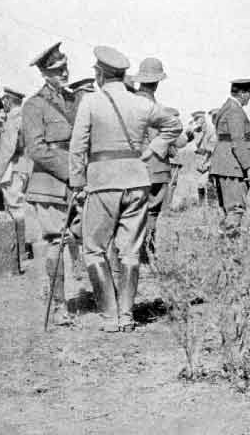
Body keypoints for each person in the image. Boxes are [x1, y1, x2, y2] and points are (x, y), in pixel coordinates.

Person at [69, 46, 182, 333]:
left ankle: (109, 317)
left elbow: (78, 147)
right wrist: (153, 151)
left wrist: (78, 183)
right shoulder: (141, 104)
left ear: (100, 74)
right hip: (137, 180)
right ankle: (127, 316)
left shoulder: (91, 103)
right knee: (131, 251)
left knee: (94, 249)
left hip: (103, 182)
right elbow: (174, 124)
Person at [22, 42, 91, 325]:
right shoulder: (33, 106)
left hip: (80, 181)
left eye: (65, 68)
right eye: (56, 70)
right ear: (43, 73)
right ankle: (60, 305)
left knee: (87, 236)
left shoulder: (76, 100)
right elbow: (36, 149)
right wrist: (71, 173)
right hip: (50, 185)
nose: (63, 73)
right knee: (56, 242)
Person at [132, 57, 173, 267]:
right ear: (157, 82)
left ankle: (137, 252)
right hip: (155, 167)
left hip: (134, 168)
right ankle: (146, 253)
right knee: (152, 212)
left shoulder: (130, 102)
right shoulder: (153, 106)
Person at [210, 79, 250, 237]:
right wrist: (249, 167)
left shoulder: (226, 108)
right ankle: (228, 249)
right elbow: (238, 141)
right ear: (243, 94)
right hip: (233, 168)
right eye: (249, 94)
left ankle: (224, 245)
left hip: (224, 166)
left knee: (228, 209)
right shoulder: (235, 111)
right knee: (235, 209)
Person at [0, 87, 32, 260]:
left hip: (14, 167)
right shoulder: (23, 117)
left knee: (15, 207)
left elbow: (8, 148)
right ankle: (22, 248)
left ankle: (20, 250)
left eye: (4, 100)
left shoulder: (12, 119)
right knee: (21, 206)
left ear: (8, 100)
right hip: (26, 166)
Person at [186, 110, 217, 205]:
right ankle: (202, 205)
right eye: (195, 120)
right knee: (200, 184)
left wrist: (200, 149)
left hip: (209, 159)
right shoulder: (196, 131)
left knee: (209, 182)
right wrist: (189, 128)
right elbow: (187, 138)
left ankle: (212, 205)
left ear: (203, 119)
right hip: (200, 161)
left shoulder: (211, 130)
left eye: (198, 119)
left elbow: (212, 147)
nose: (196, 121)